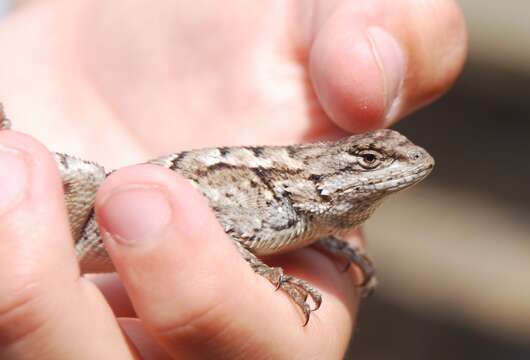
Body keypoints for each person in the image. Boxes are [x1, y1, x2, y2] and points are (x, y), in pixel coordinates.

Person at [0, 1, 466, 358]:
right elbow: (226, 232)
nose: (405, 164)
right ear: (325, 174)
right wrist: (264, 269)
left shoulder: (309, 215)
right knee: (65, 181)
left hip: (110, 228)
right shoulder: (278, 202)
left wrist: (324, 239)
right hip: (90, 219)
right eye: (368, 159)